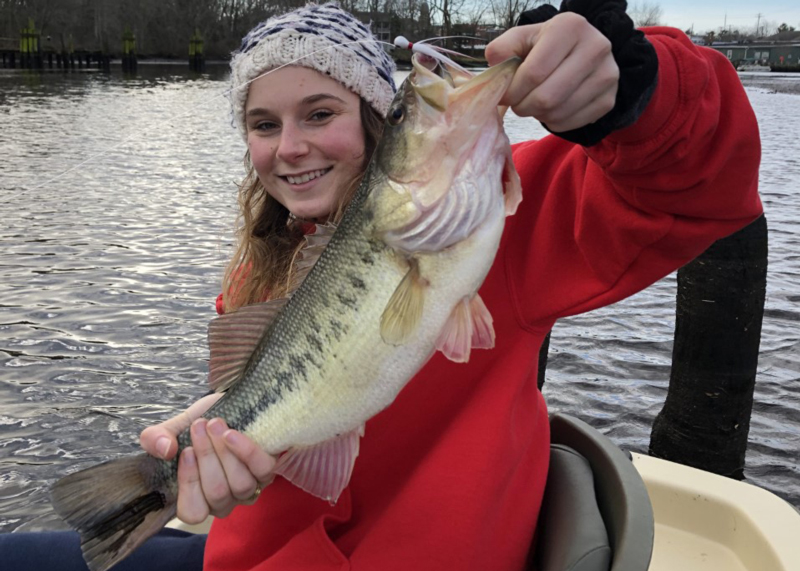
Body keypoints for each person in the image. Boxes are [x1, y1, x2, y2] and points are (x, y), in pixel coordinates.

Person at [1, 1, 762, 569]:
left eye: (320, 112)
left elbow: (699, 187)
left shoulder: (502, 224)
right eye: (263, 124)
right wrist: (203, 447)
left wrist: (635, 90)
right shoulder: (256, 270)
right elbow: (274, 402)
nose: (290, 147)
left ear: (375, 121)